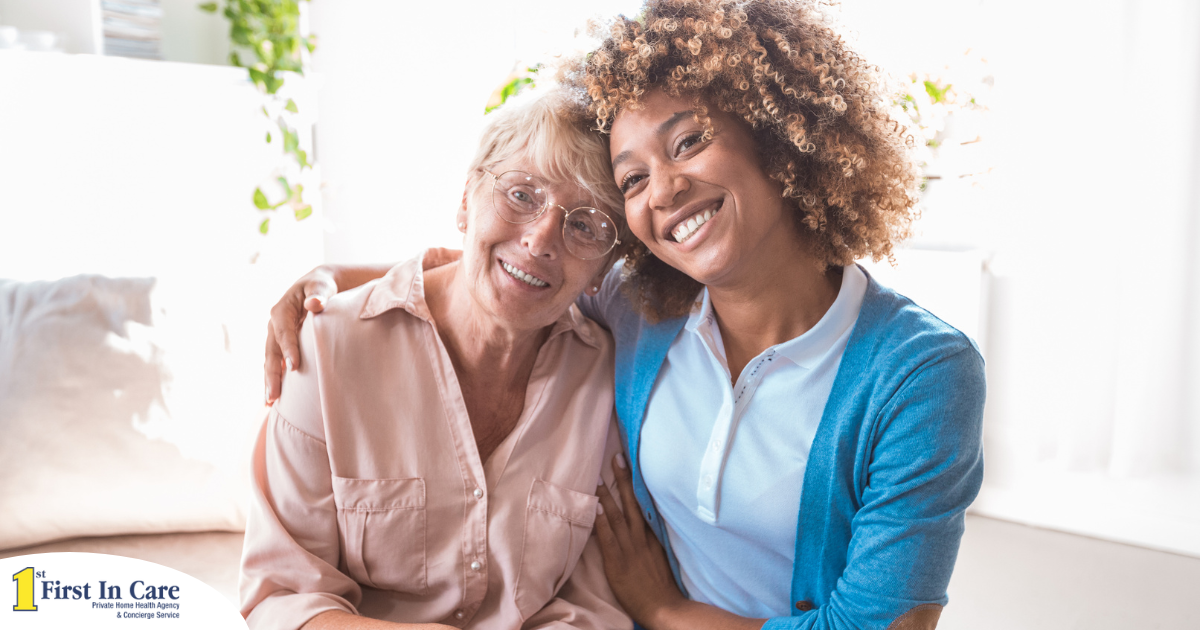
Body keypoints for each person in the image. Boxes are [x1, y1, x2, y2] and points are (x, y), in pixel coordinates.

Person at [264, 1, 986, 629]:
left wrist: (665, 611)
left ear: (778, 134)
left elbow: (883, 627)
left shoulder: (920, 374)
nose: (664, 190)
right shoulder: (644, 310)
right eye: (632, 178)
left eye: (689, 141)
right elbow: (506, 266)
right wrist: (330, 280)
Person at [240, 87, 635, 630]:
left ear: (604, 268)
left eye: (585, 225)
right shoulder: (329, 350)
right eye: (522, 194)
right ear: (467, 198)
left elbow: (591, 607)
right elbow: (284, 599)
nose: (542, 240)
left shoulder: (606, 378)